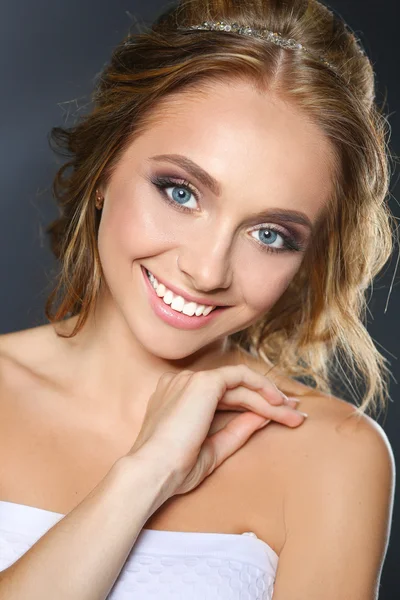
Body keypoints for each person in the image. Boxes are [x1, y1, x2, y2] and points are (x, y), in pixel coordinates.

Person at [0, 0, 396, 598]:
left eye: (270, 235)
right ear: (106, 167)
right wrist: (144, 476)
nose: (207, 270)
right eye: (180, 192)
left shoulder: (332, 456)